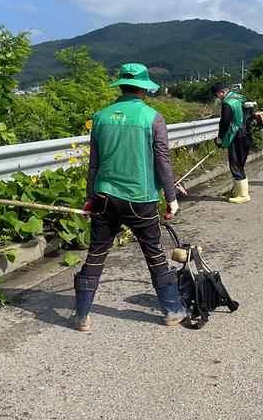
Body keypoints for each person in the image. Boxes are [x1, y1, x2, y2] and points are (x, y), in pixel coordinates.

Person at [70, 63, 184, 332]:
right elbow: (163, 161)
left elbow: (94, 164)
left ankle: (83, 316)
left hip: (105, 196)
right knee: (154, 253)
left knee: (96, 253)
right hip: (140, 198)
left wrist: (89, 199)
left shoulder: (100, 117)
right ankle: (171, 310)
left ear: (120, 85)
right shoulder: (152, 117)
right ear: (144, 88)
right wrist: (171, 197)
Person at [211, 81, 252, 203]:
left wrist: (220, 138)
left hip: (236, 136)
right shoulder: (239, 98)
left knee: (235, 164)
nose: (217, 98)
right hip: (246, 134)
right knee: (240, 163)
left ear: (222, 92)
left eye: (217, 95)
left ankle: (243, 195)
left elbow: (224, 123)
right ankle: (237, 191)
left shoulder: (227, 104)